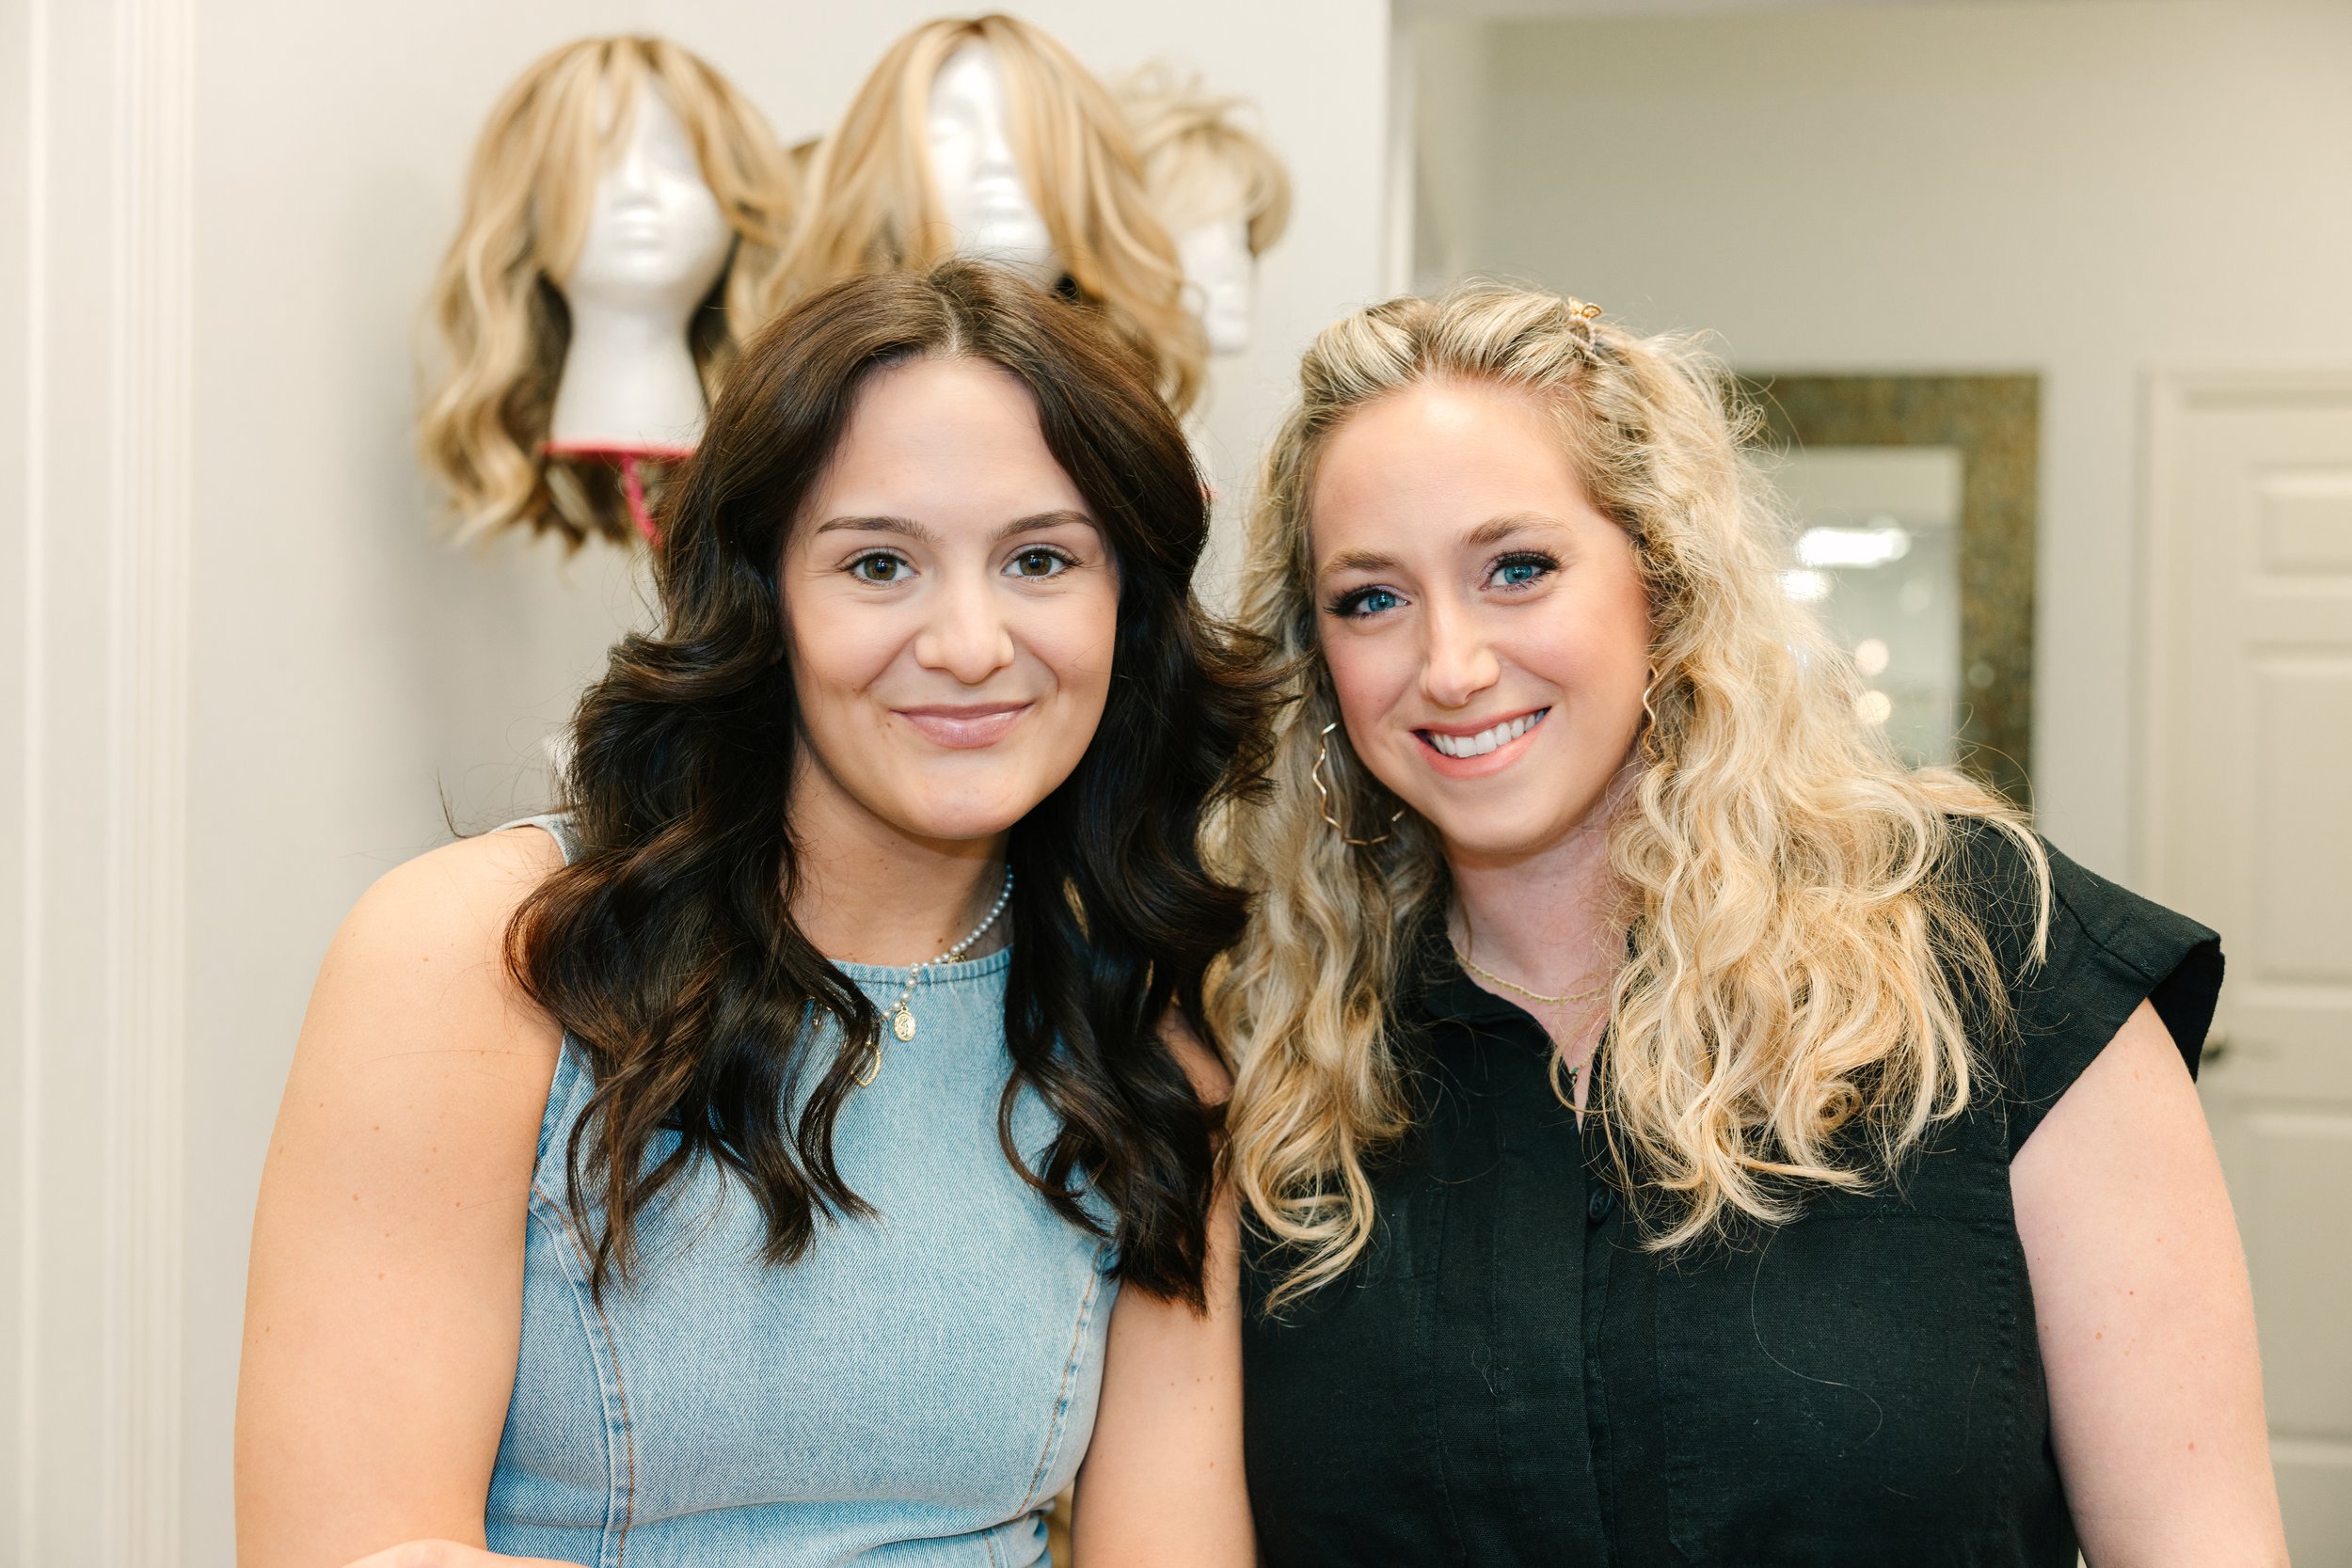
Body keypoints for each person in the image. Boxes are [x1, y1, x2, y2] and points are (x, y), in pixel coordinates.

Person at [1211, 282, 2289, 1566]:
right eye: (1371, 599)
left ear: (1660, 579)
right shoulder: (1258, 1046)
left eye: (1519, 569)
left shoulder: (1999, 963)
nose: (1449, 664)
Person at [236, 262, 1260, 1568]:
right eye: (879, 563)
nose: (968, 640)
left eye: (1041, 560)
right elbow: (348, 1552)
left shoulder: (1144, 1048)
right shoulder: (478, 958)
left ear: (1130, 605)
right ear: (762, 596)